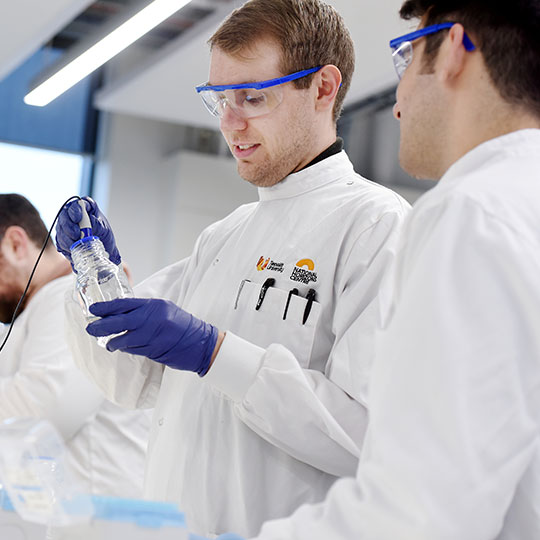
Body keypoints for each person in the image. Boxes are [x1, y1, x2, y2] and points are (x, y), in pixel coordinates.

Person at [56, 0, 410, 537]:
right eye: (219, 99)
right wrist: (91, 272)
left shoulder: (376, 227)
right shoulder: (225, 235)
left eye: (252, 97)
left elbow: (366, 438)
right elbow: (128, 379)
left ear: (322, 87)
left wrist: (216, 354)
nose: (230, 123)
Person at [216, 1, 540, 538]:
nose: (398, 101)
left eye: (407, 59)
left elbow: (419, 511)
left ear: (455, 50)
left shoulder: (471, 213)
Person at [0, 193, 150, 497]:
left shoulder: (71, 296)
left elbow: (44, 409)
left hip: (99, 513)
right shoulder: (40, 306)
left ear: (15, 244)